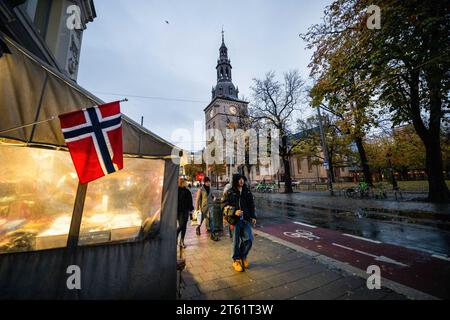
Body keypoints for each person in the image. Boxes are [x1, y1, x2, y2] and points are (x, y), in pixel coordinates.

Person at [221, 174, 257, 272]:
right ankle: (236, 260)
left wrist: (253, 216)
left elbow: (251, 205)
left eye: (243, 179)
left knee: (249, 239)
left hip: (245, 219)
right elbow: (223, 206)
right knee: (235, 242)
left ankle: (243, 256)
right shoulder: (230, 192)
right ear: (236, 181)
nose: (241, 181)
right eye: (239, 180)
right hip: (234, 220)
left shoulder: (247, 191)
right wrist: (234, 212)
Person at [195, 177, 218, 241]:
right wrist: (197, 209)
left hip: (210, 206)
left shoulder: (210, 189)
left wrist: (214, 198)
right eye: (207, 182)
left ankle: (213, 234)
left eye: (209, 182)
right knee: (201, 219)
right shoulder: (201, 189)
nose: (208, 183)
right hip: (203, 207)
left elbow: (212, 196)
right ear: (204, 182)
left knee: (211, 220)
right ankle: (198, 228)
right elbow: (197, 199)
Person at [177, 177, 194, 248]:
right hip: (179, 211)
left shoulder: (187, 191)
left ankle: (182, 241)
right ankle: (175, 234)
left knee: (184, 226)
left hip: (186, 211)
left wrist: (191, 210)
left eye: (184, 182)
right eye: (183, 182)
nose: (184, 183)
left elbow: (190, 201)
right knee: (181, 225)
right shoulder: (176, 190)